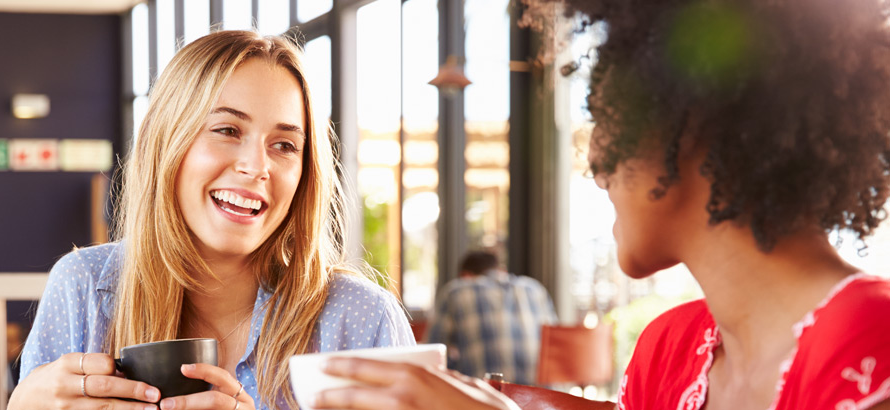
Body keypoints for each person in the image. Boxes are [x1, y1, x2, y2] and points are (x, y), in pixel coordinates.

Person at [307, 0, 890, 409]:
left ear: (688, 119)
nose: (596, 166)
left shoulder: (874, 343)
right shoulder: (669, 349)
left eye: (610, 121)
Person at [8, 30, 415, 410]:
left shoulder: (362, 318)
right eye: (227, 129)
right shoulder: (86, 288)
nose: (257, 167)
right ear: (166, 142)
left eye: (285, 145)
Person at [427, 250, 557, 384]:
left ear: (465, 276)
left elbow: (431, 355)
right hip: (540, 398)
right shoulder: (534, 289)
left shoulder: (455, 292)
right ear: (501, 270)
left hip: (485, 397)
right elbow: (556, 345)